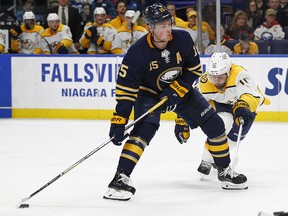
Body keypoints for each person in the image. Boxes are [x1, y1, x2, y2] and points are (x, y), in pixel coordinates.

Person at [103, 3, 248, 201]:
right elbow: (126, 91)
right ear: (149, 27)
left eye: (168, 23)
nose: (167, 29)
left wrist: (175, 91)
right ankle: (120, 178)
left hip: (180, 89)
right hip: (149, 94)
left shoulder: (183, 39)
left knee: (215, 124)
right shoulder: (136, 54)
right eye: (161, 26)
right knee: (144, 131)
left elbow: (194, 70)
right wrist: (119, 119)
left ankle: (224, 171)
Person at [188, 52, 270, 176]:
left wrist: (244, 105)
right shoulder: (204, 82)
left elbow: (253, 95)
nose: (216, 80)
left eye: (220, 77)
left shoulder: (240, 75)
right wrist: (181, 120)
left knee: (235, 136)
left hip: (244, 106)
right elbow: (190, 100)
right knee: (220, 126)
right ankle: (207, 160)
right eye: (212, 76)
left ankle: (218, 155)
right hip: (222, 104)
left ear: (228, 72)